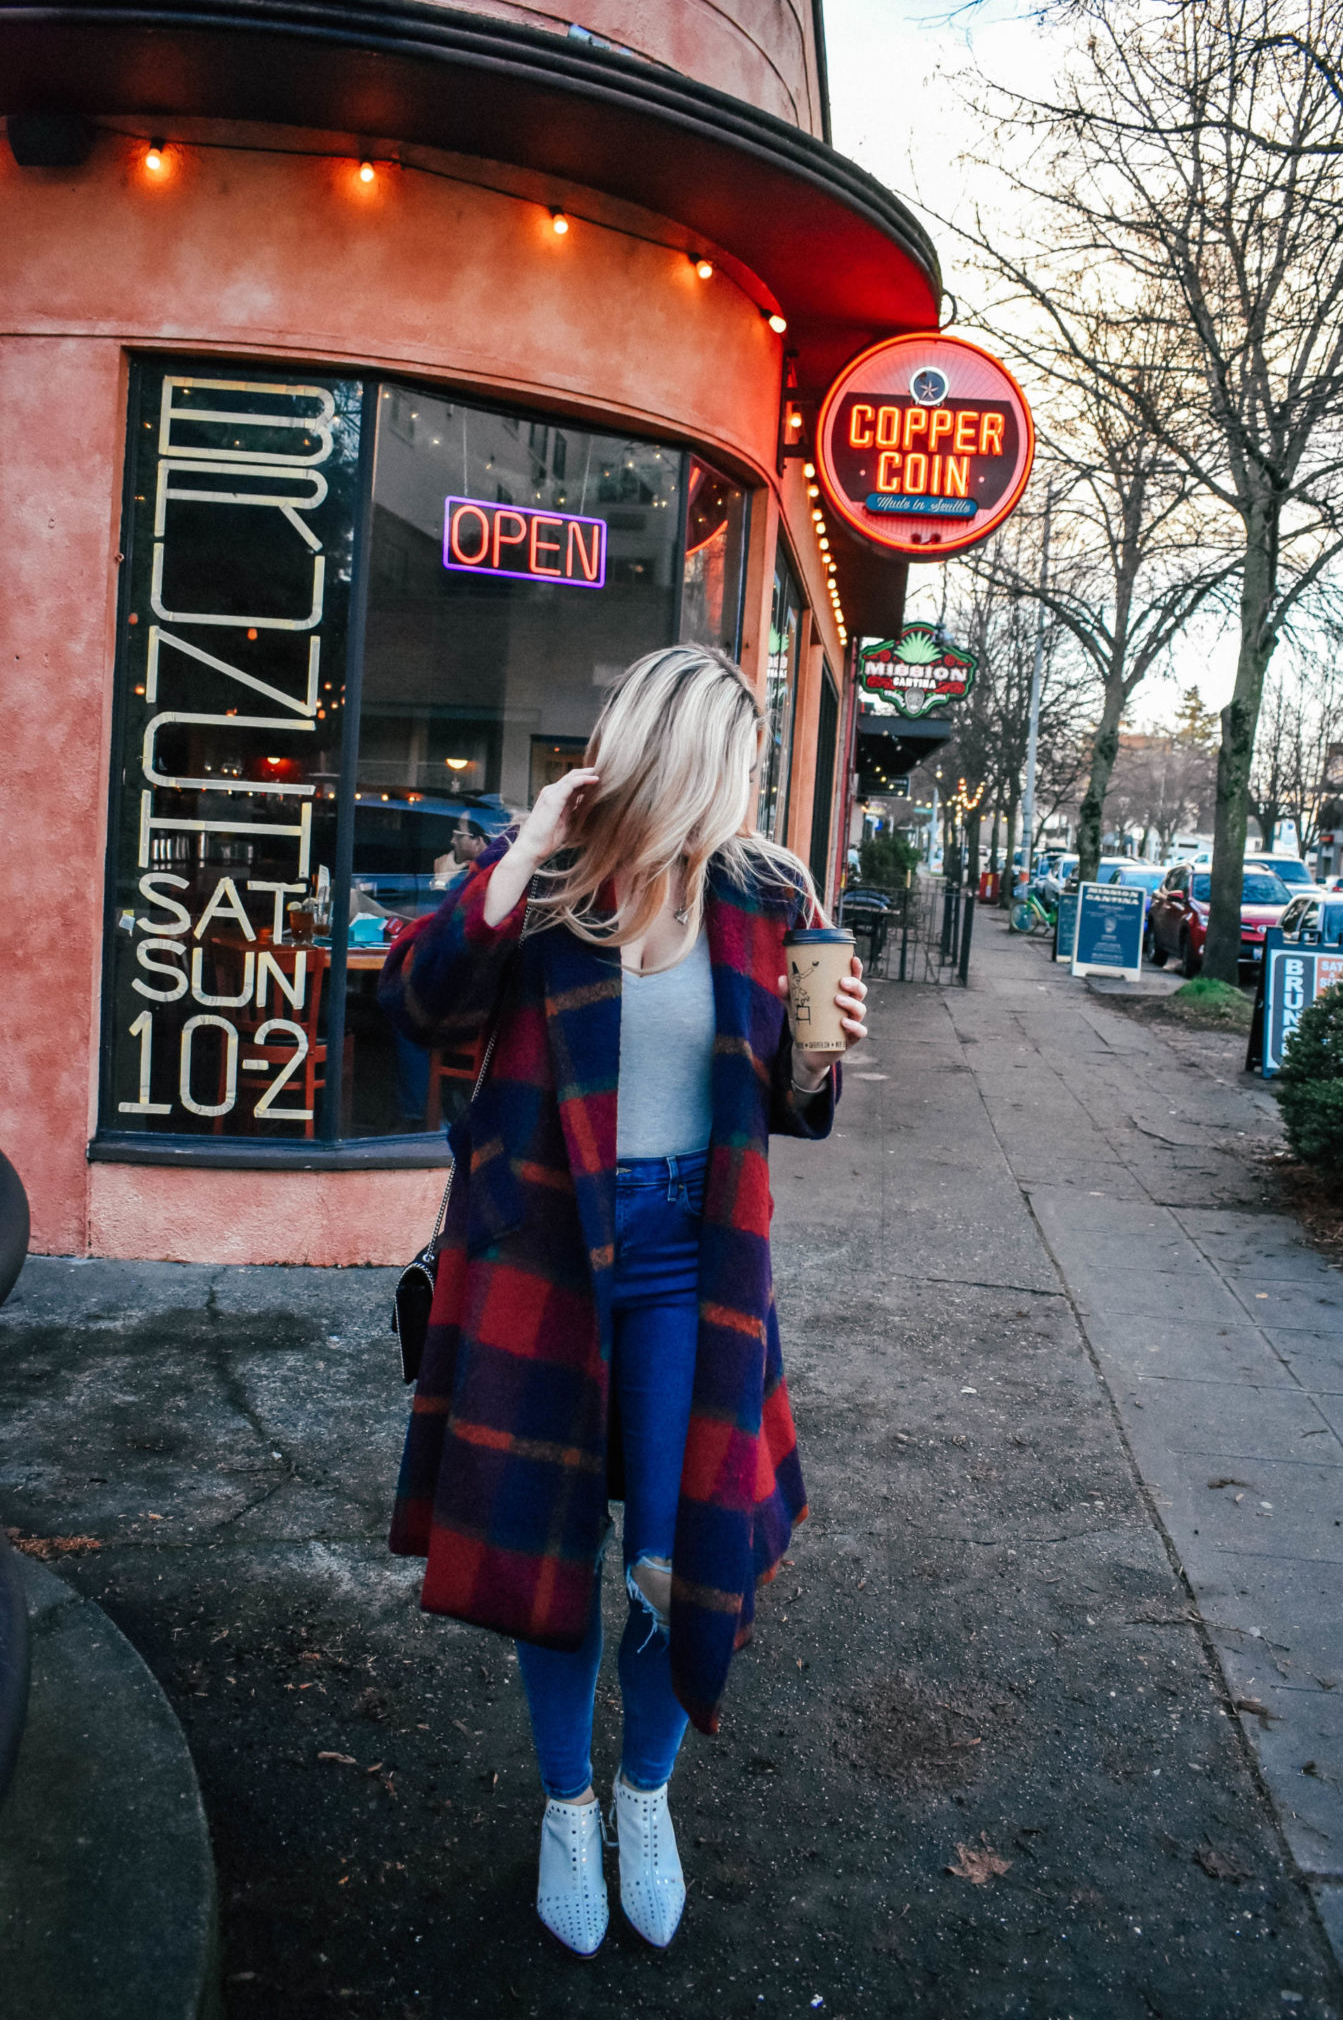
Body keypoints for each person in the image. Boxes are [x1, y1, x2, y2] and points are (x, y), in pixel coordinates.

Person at [380, 645, 866, 1958]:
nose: (746, 792)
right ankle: (564, 1809)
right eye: (738, 765)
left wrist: (824, 1059)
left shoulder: (768, 893)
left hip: (693, 1263)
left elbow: (792, 1110)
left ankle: (643, 1797)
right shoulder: (539, 877)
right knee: (552, 1557)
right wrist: (519, 854)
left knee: (671, 1556)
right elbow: (412, 1005)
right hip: (545, 1250)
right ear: (686, 761)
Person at [431, 812, 487, 889]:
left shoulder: (484, 877)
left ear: (477, 842)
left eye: (458, 835)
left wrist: (441, 880)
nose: (452, 841)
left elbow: (439, 900)